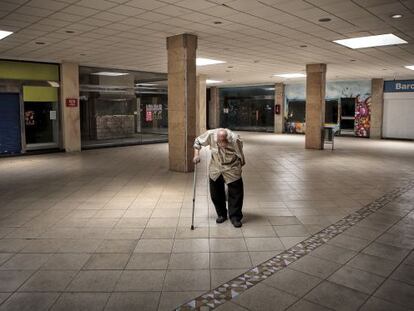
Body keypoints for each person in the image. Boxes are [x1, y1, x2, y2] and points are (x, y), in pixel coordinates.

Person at [193, 128, 245, 228]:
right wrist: (196, 155)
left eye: (224, 141)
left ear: (228, 138)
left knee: (236, 192)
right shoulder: (210, 135)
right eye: (219, 142)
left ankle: (235, 217)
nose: (221, 144)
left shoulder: (235, 139)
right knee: (215, 192)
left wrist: (238, 170)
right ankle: (221, 214)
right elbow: (197, 141)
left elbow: (241, 157)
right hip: (216, 166)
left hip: (232, 166)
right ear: (216, 138)